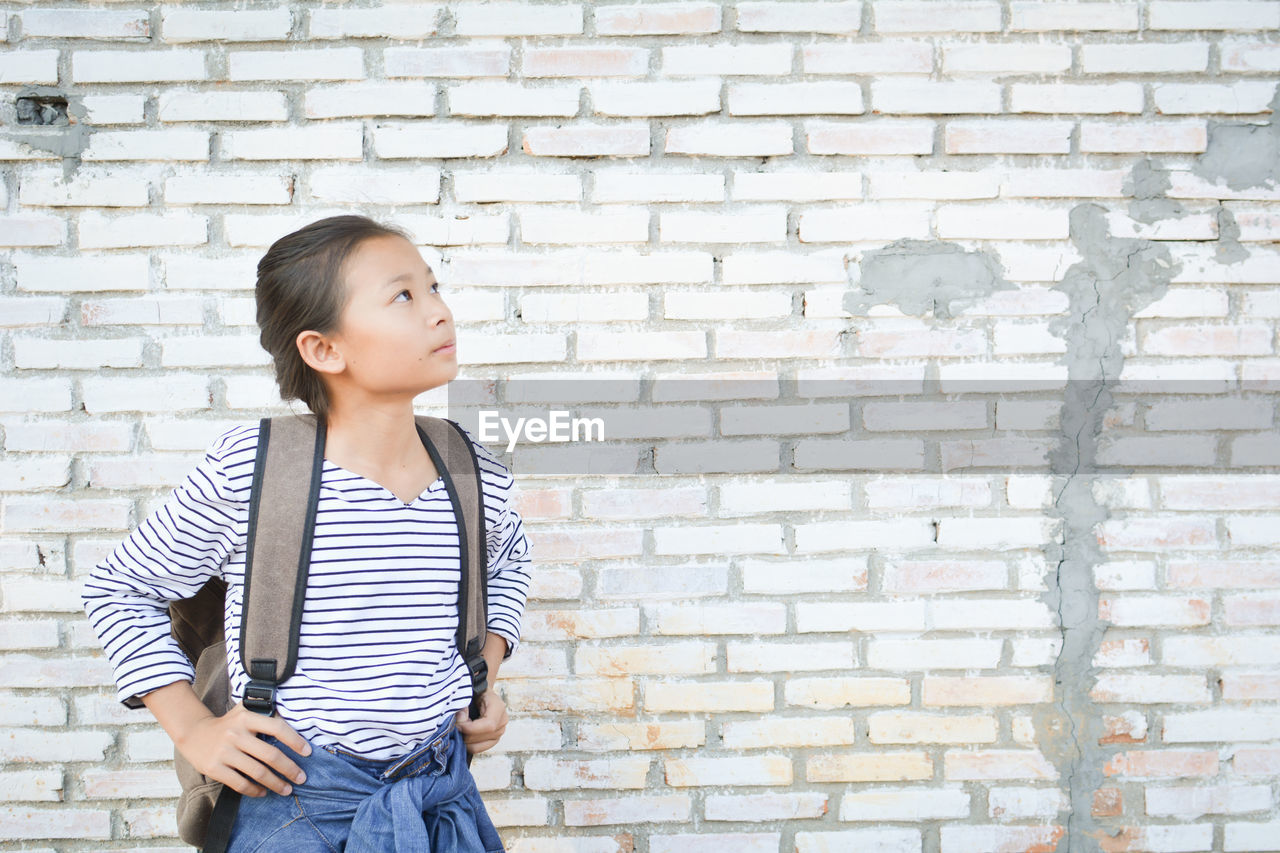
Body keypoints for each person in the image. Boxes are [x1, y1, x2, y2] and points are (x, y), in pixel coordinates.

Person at [81, 214, 531, 852]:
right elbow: (119, 589)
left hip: (438, 795)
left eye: (433, 287)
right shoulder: (253, 470)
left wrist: (482, 675)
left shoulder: (471, 467)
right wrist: (193, 729)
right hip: (293, 804)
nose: (439, 312)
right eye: (403, 295)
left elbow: (509, 565)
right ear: (324, 349)